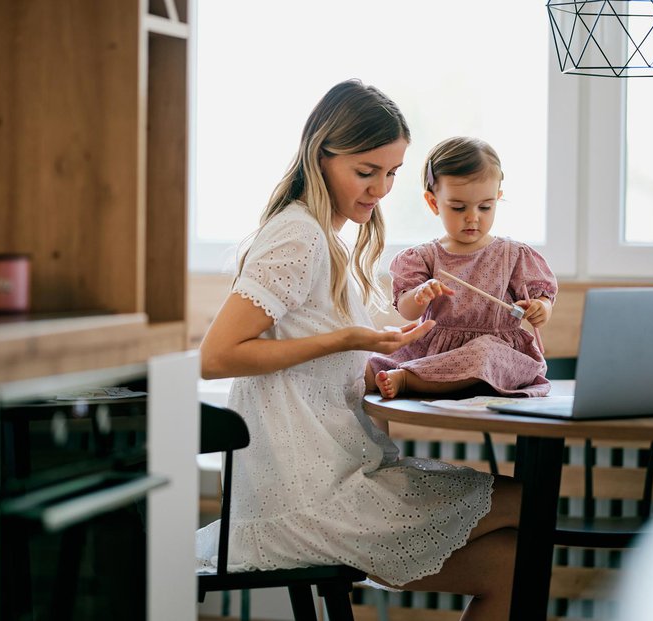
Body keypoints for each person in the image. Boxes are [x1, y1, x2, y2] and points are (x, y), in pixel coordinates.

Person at [197, 80, 520, 621]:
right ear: (320, 156)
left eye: (391, 173)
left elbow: (317, 370)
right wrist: (352, 339)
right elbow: (218, 354)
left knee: (512, 564)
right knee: (528, 504)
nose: (380, 189)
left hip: (334, 476)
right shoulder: (297, 236)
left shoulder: (324, 238)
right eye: (366, 172)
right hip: (311, 499)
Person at [367, 136, 557, 400]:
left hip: (494, 355)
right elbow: (409, 311)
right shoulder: (425, 256)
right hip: (437, 353)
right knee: (367, 364)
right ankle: (416, 376)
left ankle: (409, 379)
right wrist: (420, 295)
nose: (472, 217)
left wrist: (541, 309)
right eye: (458, 207)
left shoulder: (512, 255)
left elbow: (542, 298)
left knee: (484, 354)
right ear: (434, 203)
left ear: (497, 199)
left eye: (485, 207)